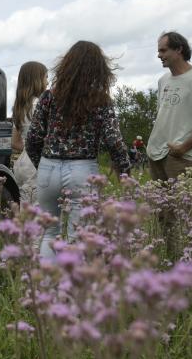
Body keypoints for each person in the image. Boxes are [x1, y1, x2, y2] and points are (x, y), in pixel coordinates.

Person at [25, 41, 131, 258]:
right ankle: (75, 288)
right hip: (83, 170)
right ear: (99, 69)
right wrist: (124, 169)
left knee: (48, 232)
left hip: (49, 166)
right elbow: (114, 140)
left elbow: (33, 138)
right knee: (80, 234)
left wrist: (42, 164)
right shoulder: (102, 100)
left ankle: (47, 286)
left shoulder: (48, 97)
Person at [146, 31, 192, 181]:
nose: (159, 55)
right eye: (158, 51)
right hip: (156, 155)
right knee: (157, 204)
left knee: (183, 204)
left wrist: (182, 148)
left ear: (179, 49)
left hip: (181, 158)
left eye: (163, 50)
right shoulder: (163, 80)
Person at [10, 61, 48, 205]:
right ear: (37, 80)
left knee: (25, 212)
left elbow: (14, 142)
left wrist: (27, 147)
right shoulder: (41, 105)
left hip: (22, 165)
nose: (48, 82)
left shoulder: (20, 108)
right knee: (40, 215)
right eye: (46, 77)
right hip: (38, 165)